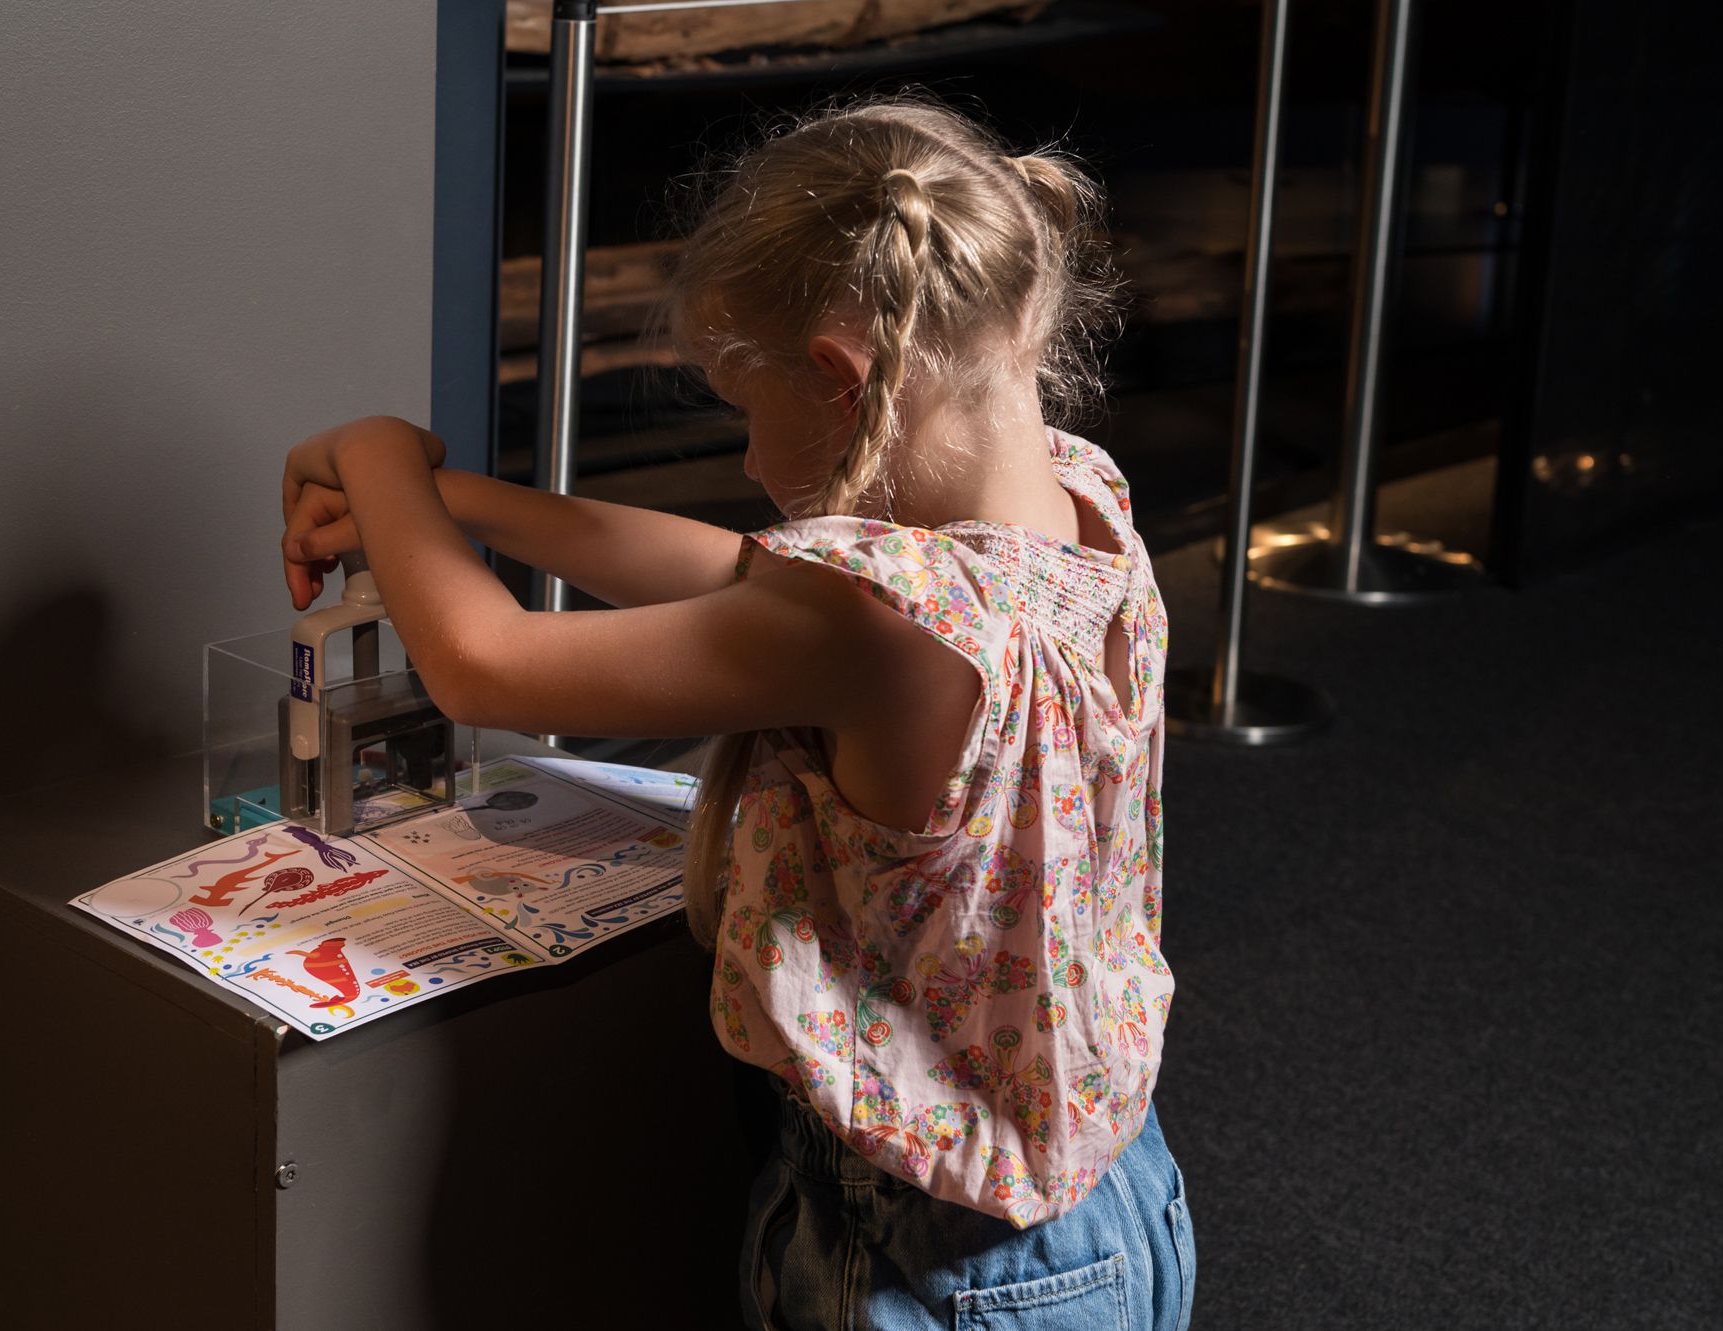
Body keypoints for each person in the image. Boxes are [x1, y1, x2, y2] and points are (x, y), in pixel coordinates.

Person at [277, 91, 1193, 1331]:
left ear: (835, 377)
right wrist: (456, 502)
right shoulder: (1081, 503)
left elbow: (484, 666)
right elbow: (737, 576)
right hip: (1108, 1199)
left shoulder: (885, 627)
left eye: (745, 411)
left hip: (926, 1259)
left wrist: (377, 451)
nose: (753, 462)